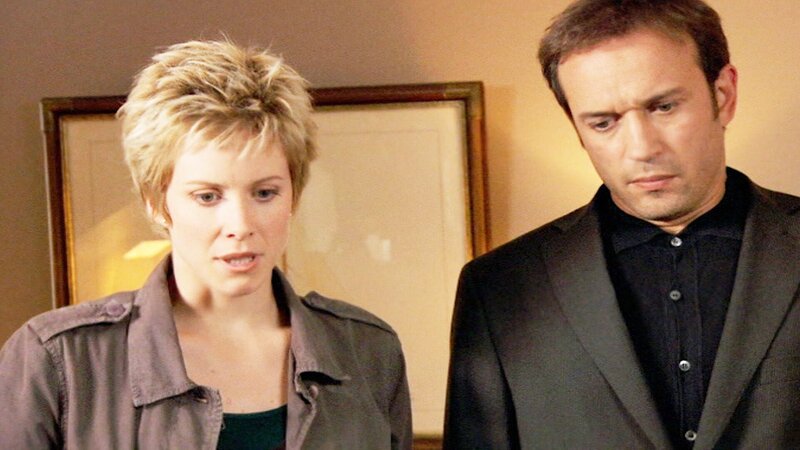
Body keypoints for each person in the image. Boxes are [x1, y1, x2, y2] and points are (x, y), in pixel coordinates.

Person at [0, 39, 412, 449]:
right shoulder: (59, 360)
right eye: (208, 196)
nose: (240, 225)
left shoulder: (369, 351)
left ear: (294, 195)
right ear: (156, 202)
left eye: (264, 193)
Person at [444, 0, 800, 449]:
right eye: (603, 123)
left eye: (664, 107)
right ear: (577, 128)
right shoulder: (499, 289)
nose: (641, 148)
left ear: (724, 95)